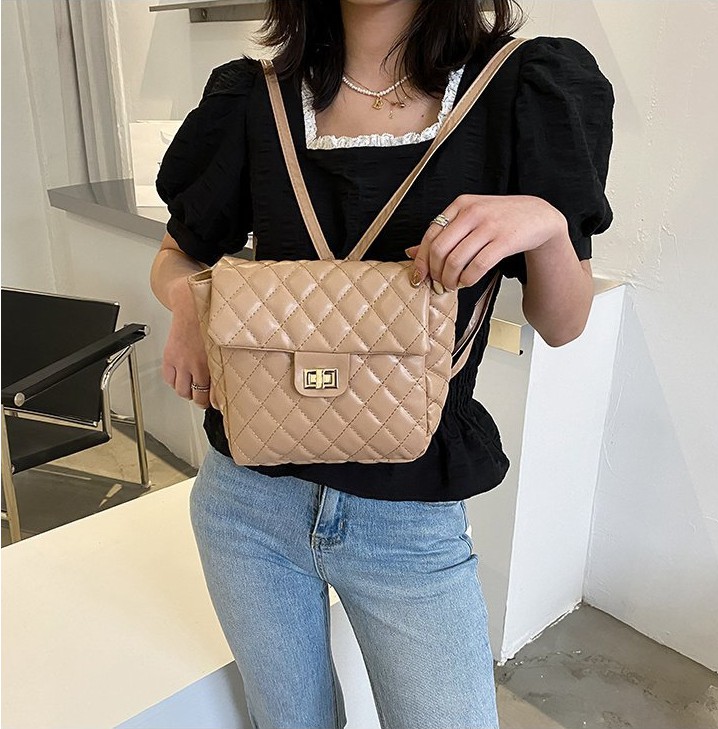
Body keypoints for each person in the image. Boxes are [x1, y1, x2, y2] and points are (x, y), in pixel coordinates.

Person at [149, 1, 614, 727]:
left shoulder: (521, 86)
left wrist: (548, 224)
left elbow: (563, 322)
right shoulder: (255, 99)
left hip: (408, 519)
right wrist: (190, 305)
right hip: (247, 502)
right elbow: (176, 256)